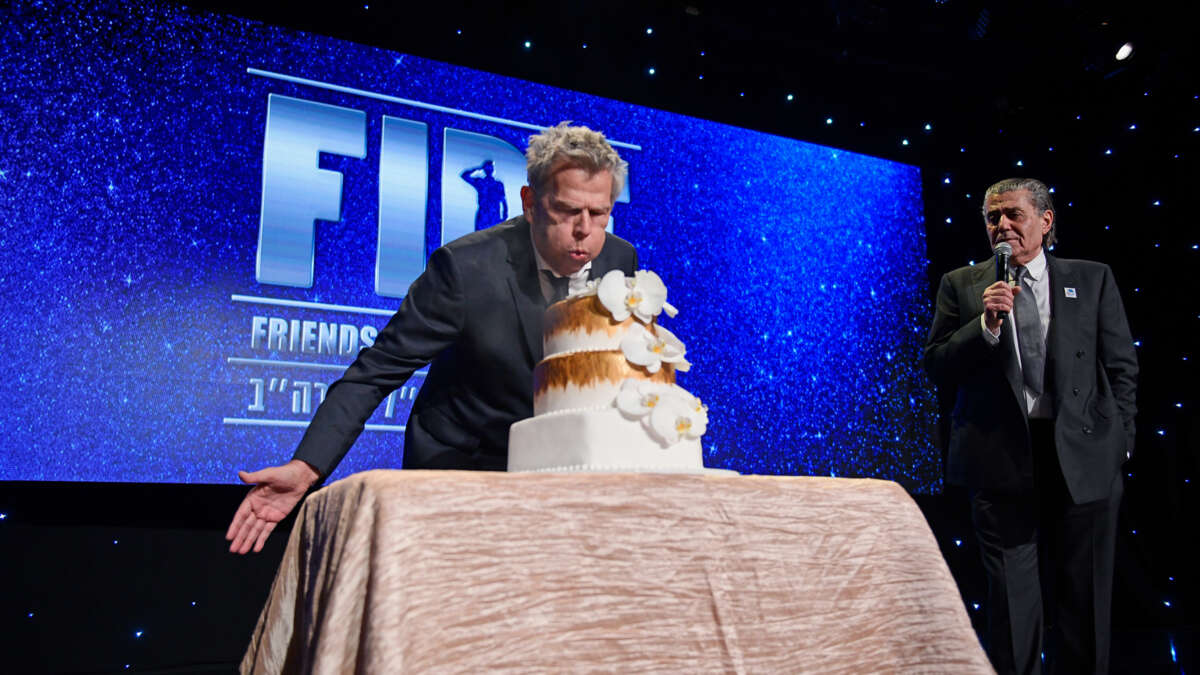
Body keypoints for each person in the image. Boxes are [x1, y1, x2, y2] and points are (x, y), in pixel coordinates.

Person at [227, 122, 637, 554]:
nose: (585, 230)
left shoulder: (619, 257)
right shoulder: (464, 269)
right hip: (462, 462)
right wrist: (307, 467)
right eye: (568, 211)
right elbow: (375, 371)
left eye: (600, 213)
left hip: (556, 466)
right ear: (530, 202)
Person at [924, 178, 1137, 674]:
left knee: (1084, 602)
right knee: (1014, 609)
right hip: (1000, 461)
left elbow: (1122, 367)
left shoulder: (1092, 278)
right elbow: (936, 364)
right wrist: (986, 327)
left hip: (1083, 459)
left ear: (1045, 221)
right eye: (993, 217)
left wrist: (1120, 444)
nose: (1002, 226)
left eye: (1013, 215)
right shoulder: (963, 284)